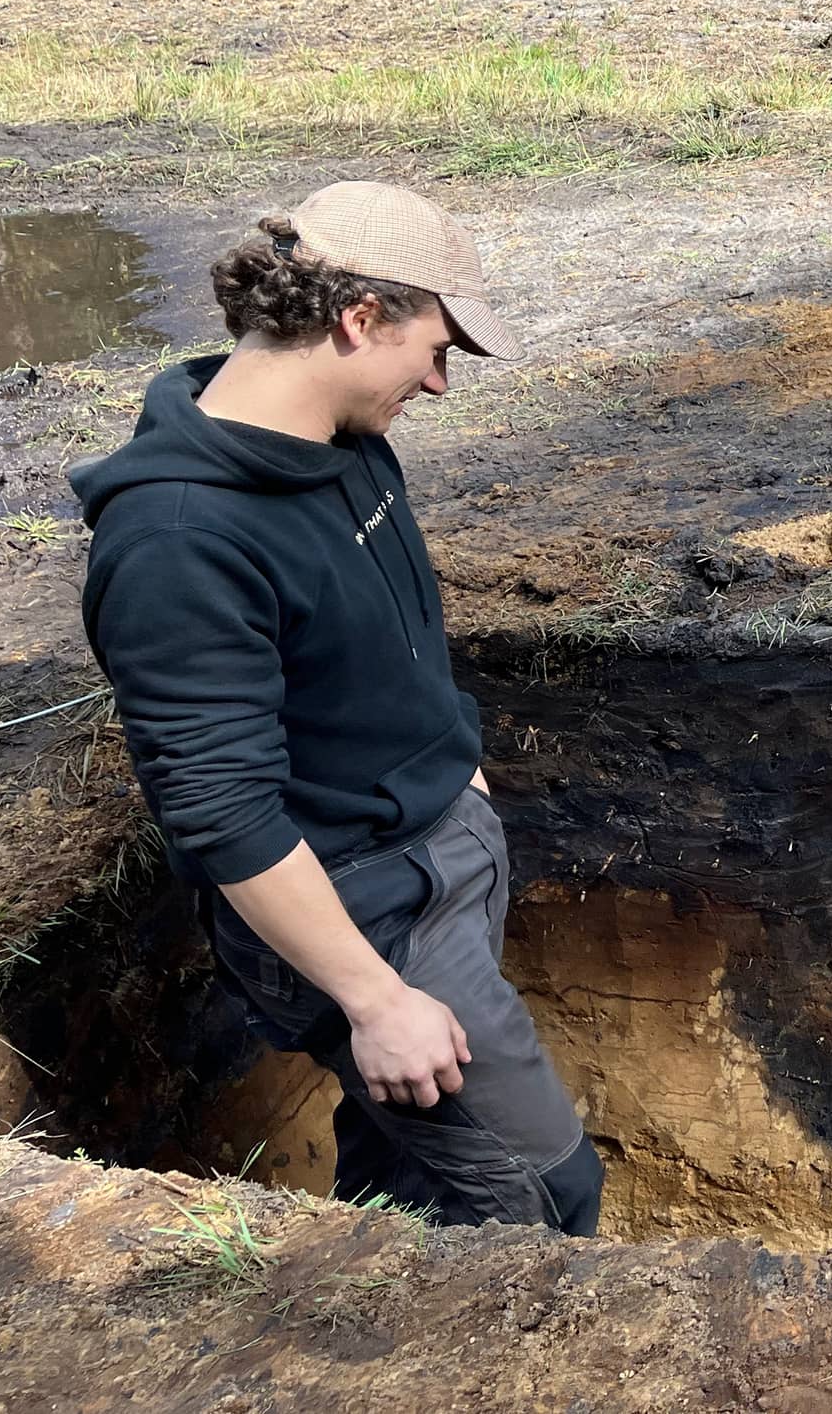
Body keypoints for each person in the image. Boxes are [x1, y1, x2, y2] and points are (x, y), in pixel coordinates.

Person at [70, 181, 601, 1233]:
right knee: (545, 1193)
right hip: (366, 912)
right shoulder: (178, 543)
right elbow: (221, 811)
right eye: (436, 348)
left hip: (437, 847)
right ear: (360, 320)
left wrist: (456, 769)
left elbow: (391, 622)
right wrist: (375, 1000)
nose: (441, 382)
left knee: (404, 1173)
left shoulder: (343, 439)